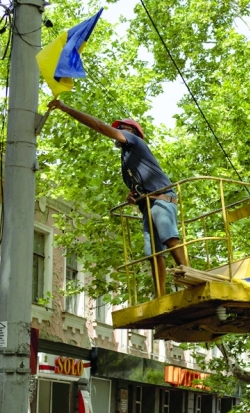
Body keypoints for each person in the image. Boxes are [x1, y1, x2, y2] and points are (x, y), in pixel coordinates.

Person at [48, 100, 189, 287]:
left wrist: (65, 107)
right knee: (153, 254)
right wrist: (133, 196)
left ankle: (190, 274)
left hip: (162, 198)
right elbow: (138, 186)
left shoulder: (135, 142)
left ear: (134, 133)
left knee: (169, 238)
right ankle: (160, 295)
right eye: (119, 129)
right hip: (148, 204)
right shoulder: (127, 161)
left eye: (124, 128)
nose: (120, 132)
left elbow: (98, 126)